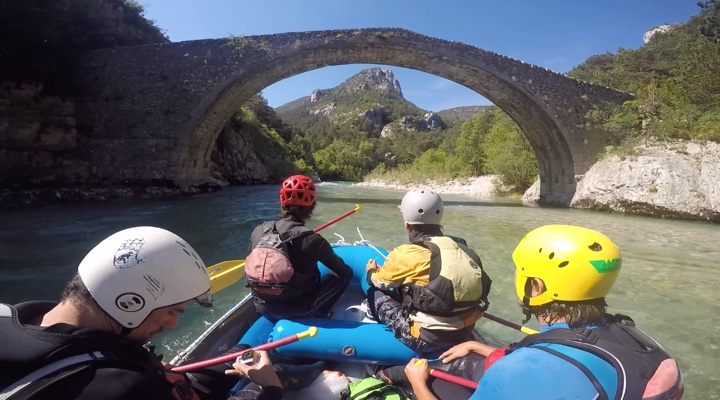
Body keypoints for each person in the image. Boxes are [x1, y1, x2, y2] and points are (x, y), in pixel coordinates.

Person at [404, 224, 685, 400]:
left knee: (437, 384)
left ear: (536, 286)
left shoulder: (522, 369)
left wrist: (419, 385)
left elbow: (544, 370)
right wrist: (481, 347)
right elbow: (577, 357)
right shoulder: (634, 336)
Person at [0, 226, 247, 400]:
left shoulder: (10, 318)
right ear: (130, 303)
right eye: (173, 311)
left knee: (241, 356)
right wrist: (269, 389)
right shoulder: (123, 388)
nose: (173, 323)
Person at [364, 189, 492, 354]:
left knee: (375, 292)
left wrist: (371, 271)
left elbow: (379, 281)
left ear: (408, 225)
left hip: (426, 339)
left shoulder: (407, 253)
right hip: (464, 330)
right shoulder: (464, 249)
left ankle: (372, 313)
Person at [246, 174, 353, 321]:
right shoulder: (313, 240)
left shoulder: (259, 231)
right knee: (347, 274)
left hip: (261, 306)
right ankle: (321, 314)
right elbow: (342, 270)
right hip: (298, 312)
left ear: (282, 202)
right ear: (311, 205)